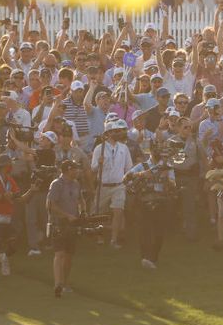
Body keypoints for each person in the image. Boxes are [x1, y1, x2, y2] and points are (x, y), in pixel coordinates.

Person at [0, 153, 36, 283]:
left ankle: (4, 256)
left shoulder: (10, 180)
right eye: (9, 164)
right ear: (3, 166)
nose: (11, 166)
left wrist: (32, 190)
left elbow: (20, 198)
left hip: (6, 217)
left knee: (14, 244)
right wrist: (2, 196)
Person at [124, 142, 177, 269]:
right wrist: (141, 174)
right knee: (145, 231)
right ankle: (145, 257)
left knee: (159, 232)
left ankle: (153, 257)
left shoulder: (167, 167)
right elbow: (125, 178)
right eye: (157, 150)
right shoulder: (142, 166)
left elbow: (174, 184)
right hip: (144, 201)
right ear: (151, 151)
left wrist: (167, 179)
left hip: (161, 201)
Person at [90, 120, 133, 248]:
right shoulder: (99, 148)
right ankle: (99, 236)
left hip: (119, 185)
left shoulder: (124, 148)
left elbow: (129, 167)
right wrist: (99, 163)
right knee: (99, 213)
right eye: (114, 131)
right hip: (103, 186)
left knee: (118, 211)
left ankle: (114, 240)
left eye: (118, 131)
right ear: (108, 133)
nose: (118, 133)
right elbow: (93, 168)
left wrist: (129, 182)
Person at [47, 160, 85, 298]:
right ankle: (58, 284)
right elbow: (51, 205)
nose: (78, 171)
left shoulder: (76, 184)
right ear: (69, 170)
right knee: (60, 254)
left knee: (69, 255)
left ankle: (65, 282)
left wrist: (83, 211)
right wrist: (67, 215)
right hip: (59, 224)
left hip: (72, 225)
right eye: (75, 169)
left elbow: (81, 200)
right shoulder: (56, 184)